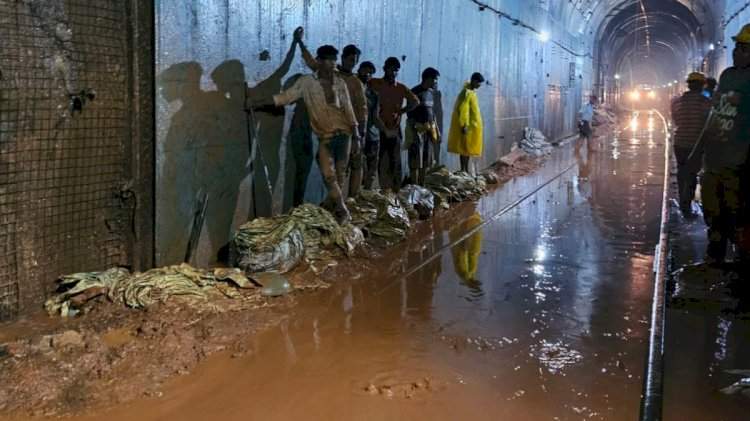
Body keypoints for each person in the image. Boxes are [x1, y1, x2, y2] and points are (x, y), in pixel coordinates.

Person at [250, 45, 360, 223]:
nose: (333, 63)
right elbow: (284, 97)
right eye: (329, 59)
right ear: (320, 61)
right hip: (326, 137)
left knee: (339, 177)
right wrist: (257, 103)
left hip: (345, 134)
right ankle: (342, 210)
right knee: (328, 175)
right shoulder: (307, 82)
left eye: (334, 59)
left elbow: (349, 110)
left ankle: (335, 215)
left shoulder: (340, 82)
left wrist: (357, 137)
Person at [694, 24, 750, 266]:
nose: (738, 52)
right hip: (716, 157)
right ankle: (715, 252)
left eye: (745, 48)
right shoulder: (727, 76)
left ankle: (740, 257)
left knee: (736, 211)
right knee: (713, 207)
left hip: (739, 160)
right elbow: (715, 113)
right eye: (737, 47)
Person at [297, 29, 368, 197]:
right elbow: (312, 63)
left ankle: (344, 204)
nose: (352, 64)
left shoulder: (356, 83)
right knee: (330, 171)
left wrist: (359, 135)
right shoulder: (331, 73)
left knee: (343, 171)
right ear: (343, 58)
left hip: (347, 133)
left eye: (355, 61)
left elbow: (362, 110)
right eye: (350, 60)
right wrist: (299, 43)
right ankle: (336, 204)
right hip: (329, 131)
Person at [369, 57, 420, 192]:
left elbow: (415, 102)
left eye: (396, 70)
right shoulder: (375, 83)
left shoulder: (401, 88)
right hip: (378, 128)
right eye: (391, 69)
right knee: (381, 159)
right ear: (385, 68)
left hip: (394, 129)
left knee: (395, 161)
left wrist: (402, 111)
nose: (393, 73)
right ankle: (383, 188)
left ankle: (395, 190)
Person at [670, 72, 711, 217]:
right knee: (692, 174)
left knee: (682, 173)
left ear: (688, 85)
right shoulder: (705, 102)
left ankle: (683, 202)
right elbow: (708, 123)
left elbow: (676, 119)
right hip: (695, 144)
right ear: (701, 86)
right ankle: (687, 206)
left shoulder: (678, 102)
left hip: (679, 142)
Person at [405, 67, 441, 185]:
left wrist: (437, 130)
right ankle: (414, 186)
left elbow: (432, 113)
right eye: (435, 79)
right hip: (416, 131)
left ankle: (421, 186)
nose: (436, 82)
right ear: (428, 78)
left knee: (426, 162)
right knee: (415, 162)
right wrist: (416, 127)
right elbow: (409, 112)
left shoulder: (431, 93)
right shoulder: (414, 92)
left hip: (429, 132)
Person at [447, 72, 485, 173]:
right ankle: (463, 169)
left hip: (472, 127)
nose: (479, 85)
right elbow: (463, 109)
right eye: (479, 83)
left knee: (468, 150)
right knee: (464, 149)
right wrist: (464, 125)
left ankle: (466, 170)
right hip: (468, 126)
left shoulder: (472, 92)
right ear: (474, 81)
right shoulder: (466, 92)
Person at [357, 61, 385, 190]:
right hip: (356, 136)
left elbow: (375, 117)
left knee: (371, 169)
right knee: (357, 168)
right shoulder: (349, 88)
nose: (367, 74)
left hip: (372, 136)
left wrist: (385, 130)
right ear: (359, 70)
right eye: (365, 71)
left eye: (370, 73)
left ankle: (366, 196)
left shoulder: (374, 94)